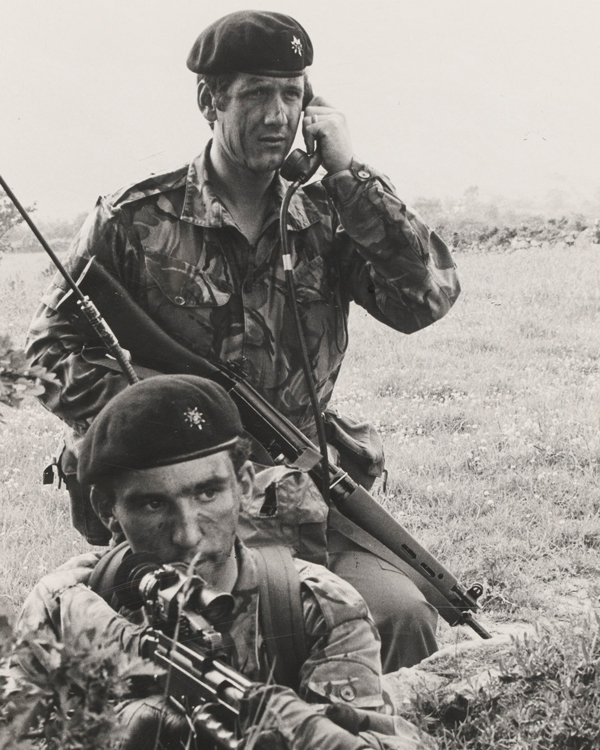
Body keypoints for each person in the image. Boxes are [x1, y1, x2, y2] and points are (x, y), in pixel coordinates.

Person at [26, 11, 460, 671]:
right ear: (210, 101)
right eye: (257, 92)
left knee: (401, 613)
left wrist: (348, 175)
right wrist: (154, 424)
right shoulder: (136, 218)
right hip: (182, 504)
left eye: (293, 94)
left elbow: (423, 299)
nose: (277, 114)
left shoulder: (324, 215)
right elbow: (51, 347)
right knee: (226, 637)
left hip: (303, 492)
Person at [15, 375, 434, 750]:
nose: (187, 535)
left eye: (206, 494)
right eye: (153, 504)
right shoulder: (68, 603)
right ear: (107, 510)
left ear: (246, 486)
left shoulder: (317, 609)